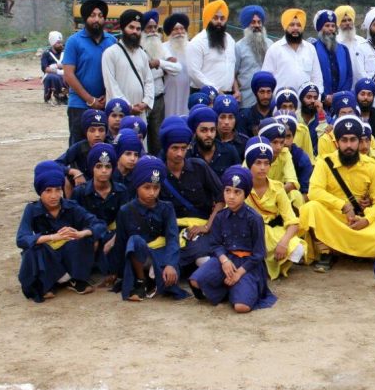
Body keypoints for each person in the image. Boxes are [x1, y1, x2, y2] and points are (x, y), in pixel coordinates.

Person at [299, 114, 375, 272]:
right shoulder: (325, 162)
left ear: (359, 141)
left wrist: (366, 220)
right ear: (337, 142)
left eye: (353, 140)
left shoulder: (370, 166)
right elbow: (314, 191)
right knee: (310, 208)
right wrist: (343, 205)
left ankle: (344, 249)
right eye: (344, 140)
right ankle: (326, 252)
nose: (349, 145)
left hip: (360, 221)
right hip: (334, 218)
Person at [189, 165, 276, 312]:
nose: (231, 196)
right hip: (226, 260)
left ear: (246, 194)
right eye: (227, 190)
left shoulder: (254, 219)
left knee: (241, 307)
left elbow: (259, 254)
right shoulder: (220, 216)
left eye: (237, 192)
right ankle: (230, 289)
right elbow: (215, 244)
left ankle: (238, 289)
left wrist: (239, 273)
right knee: (195, 281)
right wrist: (224, 261)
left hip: (248, 265)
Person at [17, 161, 106, 301]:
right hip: (48, 255)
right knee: (32, 250)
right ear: (40, 191)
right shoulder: (32, 209)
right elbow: (21, 238)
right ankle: (49, 283)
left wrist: (81, 233)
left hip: (69, 253)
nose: (54, 196)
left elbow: (99, 224)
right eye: (48, 190)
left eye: (58, 190)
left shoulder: (71, 206)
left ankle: (75, 279)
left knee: (86, 239)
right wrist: (53, 237)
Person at [113, 156, 187, 301]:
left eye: (156, 188)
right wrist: (116, 272)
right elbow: (121, 243)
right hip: (138, 258)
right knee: (135, 241)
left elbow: (172, 238)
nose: (152, 193)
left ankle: (154, 280)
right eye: (147, 187)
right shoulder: (125, 211)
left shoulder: (167, 208)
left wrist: (171, 264)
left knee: (170, 278)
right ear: (137, 186)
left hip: (161, 257)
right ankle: (141, 281)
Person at [158, 121, 224, 271]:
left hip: (199, 228)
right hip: (170, 230)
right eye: (174, 148)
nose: (180, 153)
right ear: (166, 148)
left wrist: (207, 226)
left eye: (183, 148)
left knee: (202, 257)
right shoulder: (159, 172)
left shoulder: (199, 167)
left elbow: (221, 198)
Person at [62, 0, 117, 144]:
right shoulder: (74, 41)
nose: (97, 19)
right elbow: (68, 74)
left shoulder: (111, 42)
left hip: (106, 104)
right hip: (79, 105)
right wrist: (90, 100)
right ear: (85, 18)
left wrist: (106, 95)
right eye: (92, 15)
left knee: (104, 148)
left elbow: (115, 74)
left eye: (100, 15)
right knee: (79, 147)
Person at [71, 144, 130, 278]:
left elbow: (126, 221)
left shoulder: (121, 190)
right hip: (88, 236)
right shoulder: (80, 192)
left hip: (113, 235)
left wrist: (113, 241)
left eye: (108, 166)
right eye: (99, 166)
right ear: (92, 168)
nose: (103, 171)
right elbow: (74, 221)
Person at [140, 11, 180, 154]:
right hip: (140, 101)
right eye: (148, 27)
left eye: (154, 27)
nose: (152, 31)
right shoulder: (136, 47)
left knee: (157, 140)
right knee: (140, 139)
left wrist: (160, 63)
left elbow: (177, 68)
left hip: (158, 100)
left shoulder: (160, 47)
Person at [187, 0, 240, 100]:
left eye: (222, 18)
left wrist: (236, 90)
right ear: (208, 18)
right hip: (204, 95)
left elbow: (230, 68)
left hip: (227, 95)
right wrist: (215, 90)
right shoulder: (197, 42)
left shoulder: (230, 40)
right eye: (215, 18)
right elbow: (193, 72)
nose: (219, 21)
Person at [262, 8, 324, 94]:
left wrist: (318, 97)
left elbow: (317, 78)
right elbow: (266, 79)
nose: (295, 28)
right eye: (291, 24)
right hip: (282, 103)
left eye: (299, 25)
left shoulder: (310, 49)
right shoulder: (274, 49)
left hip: (307, 104)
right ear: (285, 27)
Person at [234, 5, 274, 109]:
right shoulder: (238, 47)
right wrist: (237, 91)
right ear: (246, 25)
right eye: (253, 22)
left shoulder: (271, 45)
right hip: (247, 100)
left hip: (268, 99)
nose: (257, 25)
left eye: (259, 22)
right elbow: (233, 74)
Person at [312, 9, 354, 105]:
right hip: (319, 101)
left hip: (341, 101)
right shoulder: (312, 48)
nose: (331, 29)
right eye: (327, 26)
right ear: (319, 28)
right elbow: (312, 77)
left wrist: (339, 96)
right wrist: (323, 97)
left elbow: (349, 76)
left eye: (333, 26)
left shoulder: (344, 50)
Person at [56, 109, 107, 186]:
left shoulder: (111, 146)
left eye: (101, 130)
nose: (97, 134)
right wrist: (73, 171)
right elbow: (56, 164)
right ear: (85, 132)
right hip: (83, 188)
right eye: (92, 130)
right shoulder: (79, 147)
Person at [187, 106, 241, 177]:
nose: (209, 135)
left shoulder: (230, 152)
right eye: (204, 130)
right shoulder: (189, 156)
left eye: (212, 130)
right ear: (195, 132)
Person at [161, 13, 191, 118]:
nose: (179, 32)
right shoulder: (162, 48)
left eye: (182, 28)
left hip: (188, 90)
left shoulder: (193, 47)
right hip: (169, 91)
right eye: (175, 29)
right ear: (170, 32)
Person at [335, 5, 365, 88]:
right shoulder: (335, 43)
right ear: (338, 23)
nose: (347, 23)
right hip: (342, 88)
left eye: (349, 20)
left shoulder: (362, 42)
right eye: (344, 21)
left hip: (362, 88)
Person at [239, 71, 275, 137]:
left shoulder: (276, 115)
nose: (265, 96)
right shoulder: (245, 115)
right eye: (262, 92)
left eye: (268, 92)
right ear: (256, 93)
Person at [214, 94, 248, 158]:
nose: (226, 122)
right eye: (222, 117)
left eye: (231, 117)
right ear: (216, 118)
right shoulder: (210, 140)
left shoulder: (244, 143)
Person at [42, 31, 67, 105]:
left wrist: (59, 67)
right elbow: (46, 69)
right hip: (52, 75)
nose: (60, 45)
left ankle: (63, 96)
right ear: (53, 43)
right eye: (58, 43)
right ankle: (51, 97)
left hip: (65, 74)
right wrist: (56, 69)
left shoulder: (65, 52)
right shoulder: (46, 54)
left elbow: (69, 65)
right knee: (53, 77)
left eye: (61, 42)